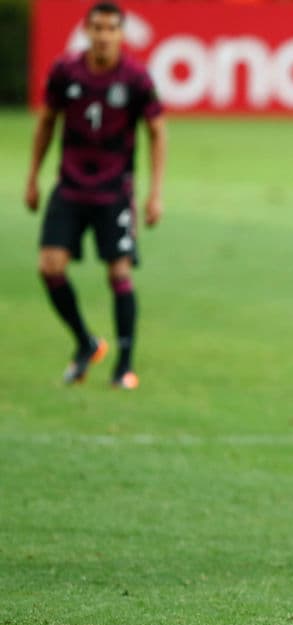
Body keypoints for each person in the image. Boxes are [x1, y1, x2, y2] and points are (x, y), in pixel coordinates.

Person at [24, 1, 166, 389]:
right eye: (98, 28)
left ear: (121, 34)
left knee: (119, 272)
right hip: (70, 187)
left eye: (111, 29)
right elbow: (47, 123)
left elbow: (157, 132)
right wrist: (33, 177)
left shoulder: (136, 77)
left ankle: (124, 365)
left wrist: (155, 194)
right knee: (49, 267)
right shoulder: (65, 71)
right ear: (87, 30)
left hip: (114, 191)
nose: (103, 35)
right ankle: (86, 342)